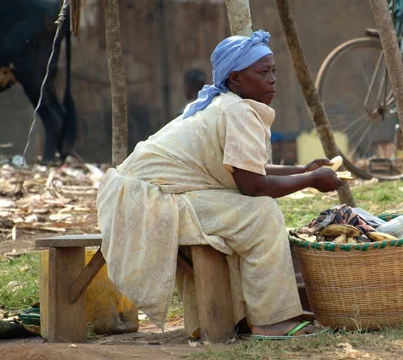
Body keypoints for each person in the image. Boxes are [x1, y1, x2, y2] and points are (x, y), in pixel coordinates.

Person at [97, 30, 341, 339]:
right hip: (147, 203)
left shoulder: (225, 105)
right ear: (236, 79)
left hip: (137, 196)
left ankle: (243, 315)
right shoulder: (237, 111)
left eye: (273, 71)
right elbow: (252, 186)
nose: (272, 79)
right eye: (262, 72)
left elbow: (245, 168)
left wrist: (302, 168)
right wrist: (310, 180)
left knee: (247, 212)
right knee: (260, 214)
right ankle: (271, 321)